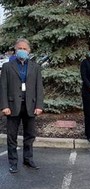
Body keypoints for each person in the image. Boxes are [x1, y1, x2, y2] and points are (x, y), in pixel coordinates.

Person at [0, 38, 44, 173]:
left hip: (30, 106)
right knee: (12, 136)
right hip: (12, 106)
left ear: (29, 51)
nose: (22, 51)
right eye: (20, 48)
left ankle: (28, 159)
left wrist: (39, 105)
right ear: (15, 49)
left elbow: (39, 87)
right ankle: (13, 162)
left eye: (25, 49)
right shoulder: (7, 66)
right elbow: (3, 88)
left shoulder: (35, 67)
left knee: (30, 135)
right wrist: (4, 106)